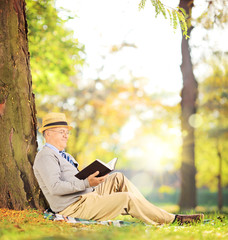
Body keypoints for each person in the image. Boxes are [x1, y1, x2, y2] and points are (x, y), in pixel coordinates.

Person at [33, 112, 204, 225]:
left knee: (117, 177)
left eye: (67, 131)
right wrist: (87, 182)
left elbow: (75, 181)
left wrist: (94, 178)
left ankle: (151, 211)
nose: (66, 135)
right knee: (126, 198)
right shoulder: (46, 155)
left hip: (86, 196)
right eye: (61, 131)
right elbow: (55, 188)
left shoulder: (66, 155)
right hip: (74, 206)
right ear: (47, 134)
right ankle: (173, 220)